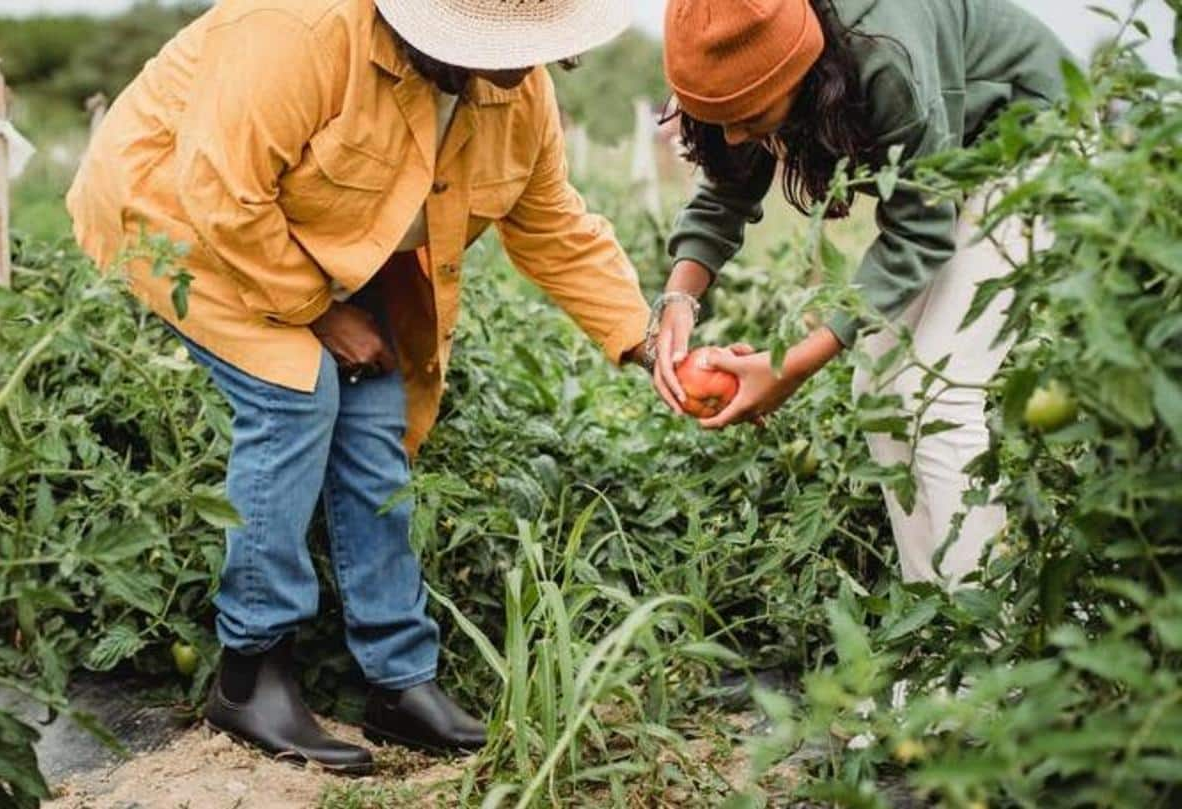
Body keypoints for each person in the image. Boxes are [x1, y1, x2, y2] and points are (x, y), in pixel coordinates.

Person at [66, 0, 651, 775]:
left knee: (377, 405)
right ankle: (251, 670)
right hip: (179, 213)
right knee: (296, 390)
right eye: (502, 44)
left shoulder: (517, 90)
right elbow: (221, 192)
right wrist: (321, 314)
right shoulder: (301, 32)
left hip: (312, 237)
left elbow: (552, 226)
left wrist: (644, 339)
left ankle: (399, 678)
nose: (521, 67)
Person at [648, 0, 1067, 585]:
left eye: (749, 114)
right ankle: (933, 633)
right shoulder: (748, 49)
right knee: (877, 386)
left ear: (800, 71)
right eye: (717, 115)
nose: (735, 133)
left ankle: (984, 655)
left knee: (937, 393)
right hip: (956, 162)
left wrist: (791, 367)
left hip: (1037, 144)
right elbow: (728, 188)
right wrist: (677, 302)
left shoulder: (882, 53)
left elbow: (921, 226)